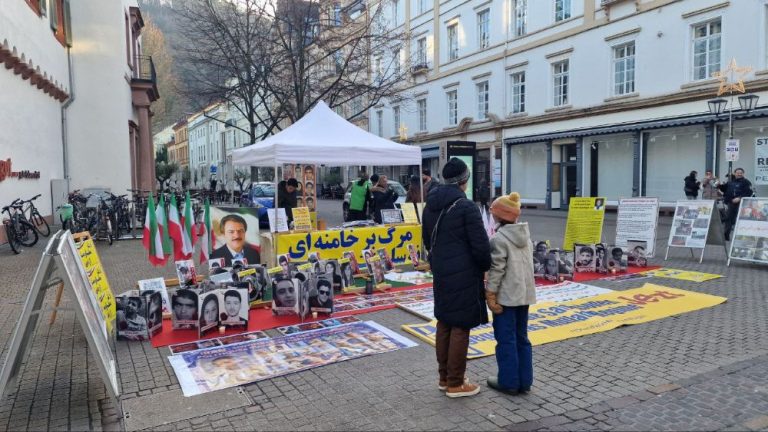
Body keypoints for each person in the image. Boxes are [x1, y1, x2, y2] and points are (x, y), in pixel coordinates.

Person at [422, 157, 491, 398]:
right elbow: (481, 247)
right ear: (464, 180)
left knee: (445, 322)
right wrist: (484, 267)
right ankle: (456, 382)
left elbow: (425, 239)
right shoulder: (466, 206)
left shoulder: (430, 204)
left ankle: (444, 377)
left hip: (441, 270)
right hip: (464, 273)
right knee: (460, 325)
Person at [484, 191, 536, 395]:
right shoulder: (526, 237)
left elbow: (497, 271)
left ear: (500, 216)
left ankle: (509, 381)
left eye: (494, 212)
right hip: (524, 296)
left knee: (506, 339)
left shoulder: (499, 239)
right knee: (522, 337)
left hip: (506, 297)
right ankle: (525, 380)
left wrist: (490, 293)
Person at [720, 167, 754, 241]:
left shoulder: (746, 182)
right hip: (731, 203)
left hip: (742, 203)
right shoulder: (731, 182)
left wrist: (740, 198)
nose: (739, 174)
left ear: (743, 174)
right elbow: (724, 189)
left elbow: (749, 192)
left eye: (741, 173)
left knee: (740, 219)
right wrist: (719, 185)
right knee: (728, 218)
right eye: (738, 172)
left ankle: (742, 236)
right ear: (735, 173)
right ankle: (726, 235)